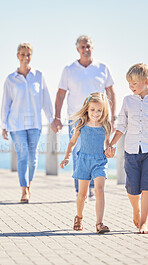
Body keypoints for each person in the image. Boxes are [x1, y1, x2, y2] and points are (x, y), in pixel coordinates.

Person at [106, 63, 148, 234]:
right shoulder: (127, 101)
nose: (131, 87)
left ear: (146, 81)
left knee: (147, 186)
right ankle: (136, 209)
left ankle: (144, 223)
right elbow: (121, 125)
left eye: (135, 83)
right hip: (132, 149)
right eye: (129, 83)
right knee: (132, 188)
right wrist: (112, 144)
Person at [51, 35, 116, 199]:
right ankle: (81, 190)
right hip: (77, 118)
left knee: (97, 151)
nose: (85, 49)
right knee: (78, 151)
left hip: (99, 119)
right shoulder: (69, 69)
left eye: (88, 46)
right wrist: (56, 117)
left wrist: (112, 117)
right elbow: (60, 95)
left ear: (92, 48)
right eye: (82, 47)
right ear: (77, 49)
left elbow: (111, 93)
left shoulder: (102, 68)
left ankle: (93, 187)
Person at [1, 43, 53, 203]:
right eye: (23, 54)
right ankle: (24, 190)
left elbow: (46, 100)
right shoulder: (11, 79)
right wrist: (4, 125)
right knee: (23, 156)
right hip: (16, 124)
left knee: (33, 158)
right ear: (18, 56)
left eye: (28, 54)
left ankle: (29, 186)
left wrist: (52, 119)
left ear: (31, 56)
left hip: (35, 124)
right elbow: (6, 103)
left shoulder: (38, 76)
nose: (25, 57)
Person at [60, 92, 112, 234]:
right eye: (93, 110)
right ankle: (79, 217)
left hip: (99, 162)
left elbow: (107, 144)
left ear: (104, 110)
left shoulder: (106, 125)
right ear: (87, 109)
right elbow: (72, 143)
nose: (96, 113)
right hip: (83, 161)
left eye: (99, 110)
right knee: (82, 195)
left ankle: (99, 223)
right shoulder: (81, 124)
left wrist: (110, 150)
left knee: (99, 190)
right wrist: (67, 157)